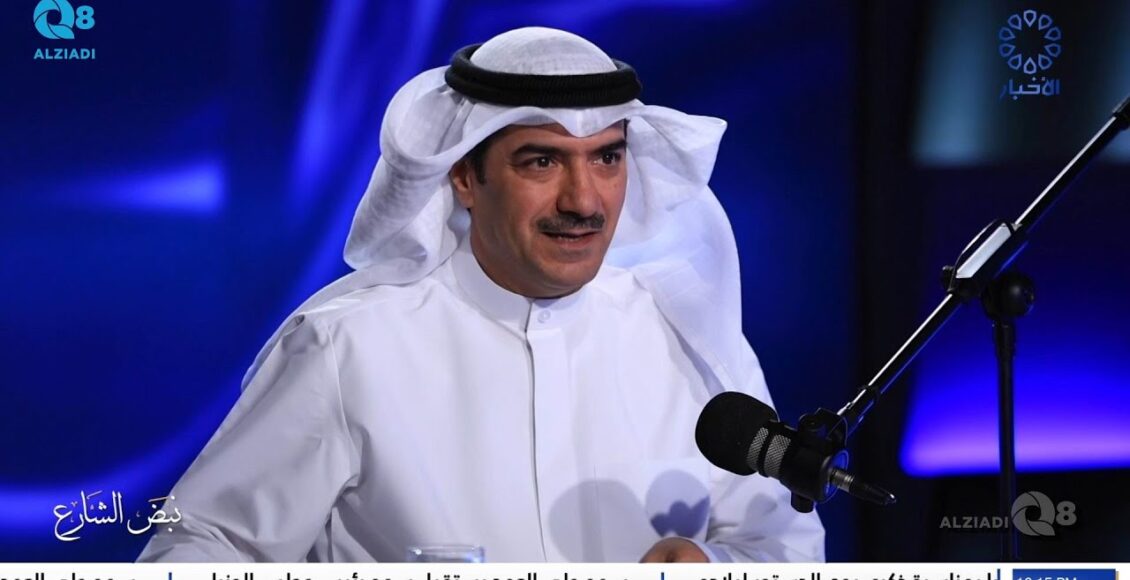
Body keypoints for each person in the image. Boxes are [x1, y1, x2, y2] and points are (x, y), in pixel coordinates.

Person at [137, 26, 825, 563]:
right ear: (464, 176)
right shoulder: (348, 348)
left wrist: (707, 561)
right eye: (542, 161)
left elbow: (784, 547)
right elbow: (201, 545)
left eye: (607, 158)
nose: (584, 201)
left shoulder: (687, 339)